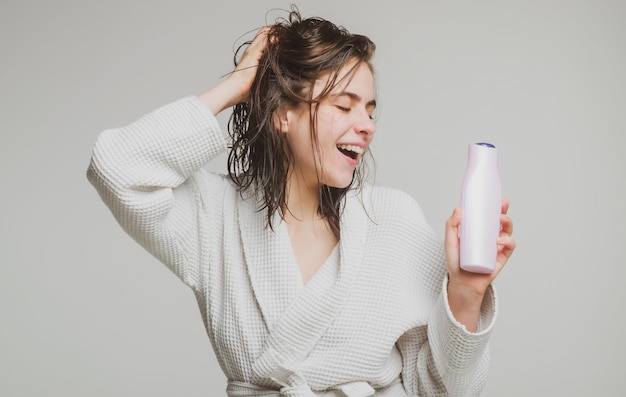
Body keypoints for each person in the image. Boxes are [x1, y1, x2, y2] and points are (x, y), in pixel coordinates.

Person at [87, 7, 515, 397]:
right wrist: (237, 86)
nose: (366, 125)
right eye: (344, 106)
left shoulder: (393, 220)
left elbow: (443, 391)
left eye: (369, 109)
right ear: (282, 113)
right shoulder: (214, 214)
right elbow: (117, 167)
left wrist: (464, 292)